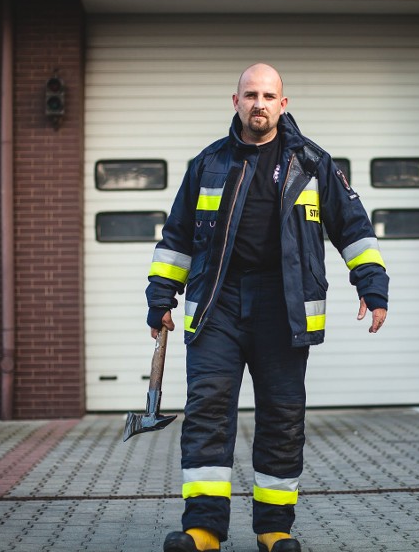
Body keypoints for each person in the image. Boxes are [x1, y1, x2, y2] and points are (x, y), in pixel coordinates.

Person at [146, 63, 389, 552]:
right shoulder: (208, 164)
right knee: (207, 413)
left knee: (282, 416)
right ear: (234, 101)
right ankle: (204, 530)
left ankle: (274, 530)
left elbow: (354, 228)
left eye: (268, 95)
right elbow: (175, 237)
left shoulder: (313, 163)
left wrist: (372, 284)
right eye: (250, 94)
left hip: (284, 307)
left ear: (284, 103)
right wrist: (160, 297)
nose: (259, 103)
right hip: (217, 305)